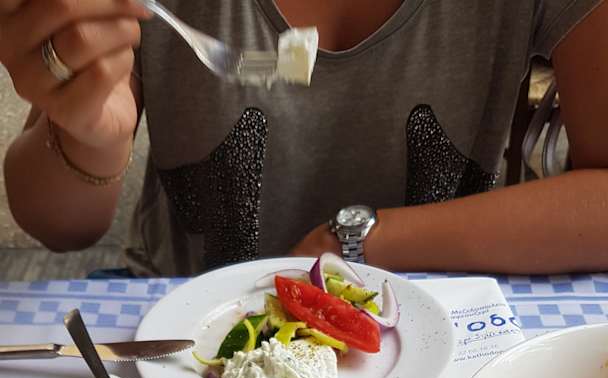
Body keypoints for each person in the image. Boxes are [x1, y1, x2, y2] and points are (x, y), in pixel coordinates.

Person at [2, 0, 608, 277]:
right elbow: (58, 225)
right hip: (184, 333)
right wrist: (90, 134)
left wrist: (357, 241)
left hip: (440, 334)